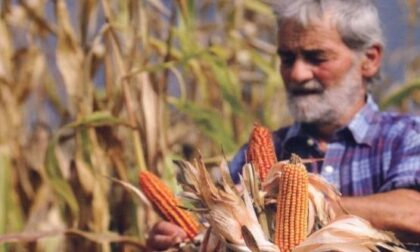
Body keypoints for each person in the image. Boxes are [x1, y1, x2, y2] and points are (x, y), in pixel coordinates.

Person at [147, 0, 420, 250]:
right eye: (287, 59)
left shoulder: (407, 136)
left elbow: (413, 214)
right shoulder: (258, 153)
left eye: (316, 57)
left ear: (369, 60)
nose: (297, 74)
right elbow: (218, 224)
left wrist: (305, 205)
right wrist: (184, 238)